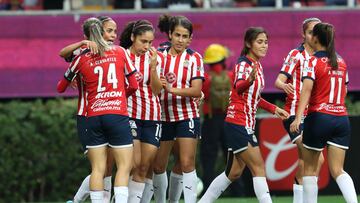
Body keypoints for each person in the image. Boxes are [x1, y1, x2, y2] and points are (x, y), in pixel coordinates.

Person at [198, 27, 289, 203]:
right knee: (258, 168)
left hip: (240, 122)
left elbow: (254, 97)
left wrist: (273, 109)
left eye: (266, 42)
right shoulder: (243, 64)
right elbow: (239, 86)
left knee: (233, 172)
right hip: (238, 123)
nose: (264, 46)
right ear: (248, 43)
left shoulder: (257, 65)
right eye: (260, 42)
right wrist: (249, 80)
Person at [57, 17, 138, 203]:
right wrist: (116, 97)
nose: (113, 35)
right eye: (109, 30)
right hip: (116, 114)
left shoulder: (80, 58)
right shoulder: (120, 52)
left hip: (90, 116)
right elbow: (134, 84)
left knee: (98, 169)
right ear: (100, 32)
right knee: (124, 167)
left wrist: (76, 81)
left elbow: (60, 87)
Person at [290, 22, 358, 203]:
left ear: (315, 38)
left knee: (310, 170)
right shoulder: (341, 62)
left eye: (312, 34)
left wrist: (297, 117)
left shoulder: (311, 61)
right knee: (338, 170)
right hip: (341, 118)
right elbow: (344, 90)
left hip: (318, 117)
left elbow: (306, 90)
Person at [152, 14, 204, 203]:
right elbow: (152, 86)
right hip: (163, 116)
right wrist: (158, 84)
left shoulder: (195, 58)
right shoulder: (158, 57)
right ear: (170, 36)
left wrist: (171, 89)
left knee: (186, 162)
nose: (181, 40)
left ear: (190, 38)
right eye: (177, 35)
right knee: (158, 166)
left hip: (186, 115)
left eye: (185, 36)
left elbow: (197, 90)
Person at [274, 17, 324, 203]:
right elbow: (278, 80)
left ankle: (301, 198)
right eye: (310, 32)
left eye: (317, 32)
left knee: (305, 161)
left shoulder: (322, 56)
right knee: (316, 160)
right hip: (294, 114)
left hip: (313, 115)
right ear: (303, 34)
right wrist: (283, 85)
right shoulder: (296, 54)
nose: (314, 36)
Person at [119, 19, 164, 203]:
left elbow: (156, 90)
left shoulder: (155, 58)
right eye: (143, 41)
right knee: (133, 163)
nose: (147, 46)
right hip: (130, 115)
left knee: (145, 167)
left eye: (150, 42)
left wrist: (153, 67)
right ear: (132, 38)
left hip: (153, 116)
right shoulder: (122, 56)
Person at [200, 43, 233, 192]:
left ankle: (208, 189)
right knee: (232, 157)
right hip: (229, 120)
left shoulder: (205, 79)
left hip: (210, 120)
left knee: (208, 158)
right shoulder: (231, 76)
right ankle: (238, 191)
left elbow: (202, 96)